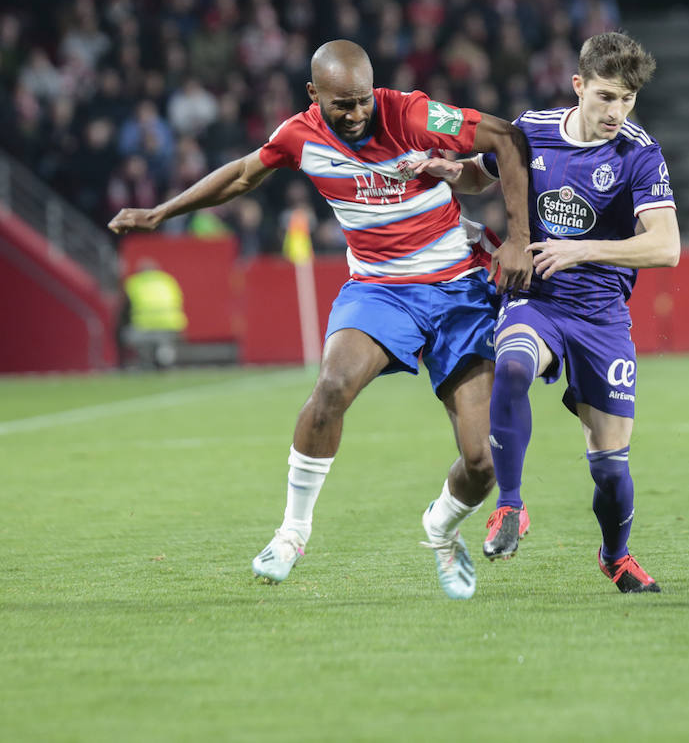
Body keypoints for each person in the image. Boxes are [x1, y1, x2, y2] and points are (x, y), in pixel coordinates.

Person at [108, 40, 532, 600]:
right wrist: (162, 212)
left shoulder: (411, 113)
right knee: (331, 385)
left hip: (459, 288)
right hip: (379, 291)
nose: (356, 114)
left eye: (362, 101)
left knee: (482, 461)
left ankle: (439, 527)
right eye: (342, 105)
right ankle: (291, 533)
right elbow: (239, 176)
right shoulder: (299, 136)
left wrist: (520, 239)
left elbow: (506, 137)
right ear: (315, 96)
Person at [413, 32, 679, 592]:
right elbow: (481, 176)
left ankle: (616, 556)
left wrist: (582, 249)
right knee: (511, 367)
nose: (617, 112)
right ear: (578, 85)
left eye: (628, 99)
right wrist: (445, 169)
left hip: (602, 314)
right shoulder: (531, 130)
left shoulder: (638, 152)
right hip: (536, 298)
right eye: (606, 97)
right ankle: (510, 506)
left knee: (610, 469)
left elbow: (666, 247)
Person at [120, 259, 188, 369]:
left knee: (127, 335)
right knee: (165, 341)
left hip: (144, 325)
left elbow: (124, 308)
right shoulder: (167, 280)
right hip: (171, 325)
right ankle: (165, 356)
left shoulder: (134, 283)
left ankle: (145, 361)